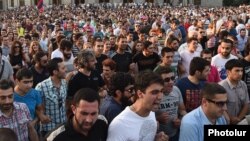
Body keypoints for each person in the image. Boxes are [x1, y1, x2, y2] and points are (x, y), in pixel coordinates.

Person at [107, 71, 169, 141]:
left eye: (161, 91)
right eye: (154, 92)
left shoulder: (151, 110)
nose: (160, 97)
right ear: (140, 94)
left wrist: (156, 138)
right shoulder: (119, 125)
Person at [35, 58, 68, 136]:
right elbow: (35, 106)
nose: (66, 70)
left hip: (63, 126)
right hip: (49, 129)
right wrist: (41, 115)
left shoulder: (64, 83)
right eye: (63, 68)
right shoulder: (41, 86)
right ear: (55, 72)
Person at [156, 67, 187, 141]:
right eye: (167, 80)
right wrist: (157, 119)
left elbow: (182, 110)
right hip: (159, 136)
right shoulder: (154, 95)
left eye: (172, 78)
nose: (171, 82)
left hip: (175, 134)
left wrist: (181, 120)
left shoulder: (176, 90)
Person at [219, 59, 249, 124]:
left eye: (241, 71)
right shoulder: (221, 86)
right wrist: (231, 118)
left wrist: (238, 119)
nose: (240, 73)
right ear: (228, 72)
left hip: (241, 121)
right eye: (237, 71)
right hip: (225, 122)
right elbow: (219, 107)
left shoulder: (243, 84)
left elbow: (246, 104)